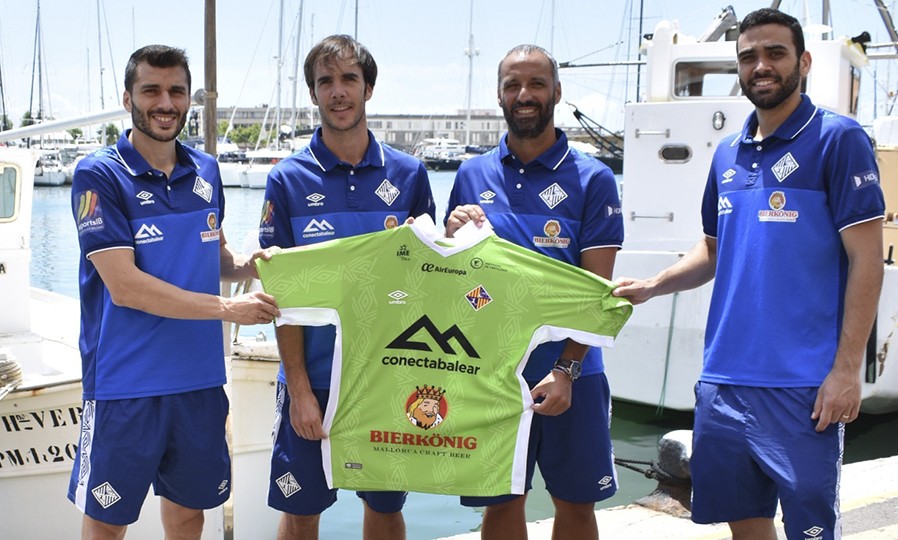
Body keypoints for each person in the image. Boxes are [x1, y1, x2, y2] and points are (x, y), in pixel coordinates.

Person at [612, 9, 884, 540]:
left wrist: (847, 370)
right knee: (744, 526)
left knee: (811, 531)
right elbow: (712, 251)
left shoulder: (838, 139)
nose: (761, 65)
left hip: (803, 387)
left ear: (803, 62)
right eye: (749, 56)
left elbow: (867, 260)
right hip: (724, 383)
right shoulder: (727, 154)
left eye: (775, 53)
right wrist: (654, 285)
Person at [67, 45, 280, 540]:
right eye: (152, 90)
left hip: (200, 383)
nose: (166, 102)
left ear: (189, 99)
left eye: (176, 91)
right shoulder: (98, 175)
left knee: (188, 516)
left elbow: (219, 262)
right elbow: (125, 287)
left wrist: (264, 266)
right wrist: (231, 308)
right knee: (107, 524)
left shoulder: (206, 170)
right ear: (128, 98)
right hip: (125, 386)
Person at [258, 34, 435, 540]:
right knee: (300, 513)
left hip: (387, 377)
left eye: (349, 80)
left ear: (369, 88)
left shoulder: (410, 175)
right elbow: (282, 299)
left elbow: (427, 279)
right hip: (310, 378)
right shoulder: (287, 179)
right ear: (314, 93)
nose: (338, 92)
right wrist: (297, 390)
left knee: (383, 510)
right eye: (325, 82)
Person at [445, 44, 624, 540]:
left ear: (557, 93)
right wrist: (452, 229)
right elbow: (457, 280)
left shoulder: (594, 178)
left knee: (575, 506)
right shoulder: (471, 174)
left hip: (574, 374)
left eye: (536, 84)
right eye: (512, 85)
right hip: (491, 376)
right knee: (500, 508)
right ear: (500, 96)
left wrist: (566, 368)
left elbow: (599, 294)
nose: (524, 95)